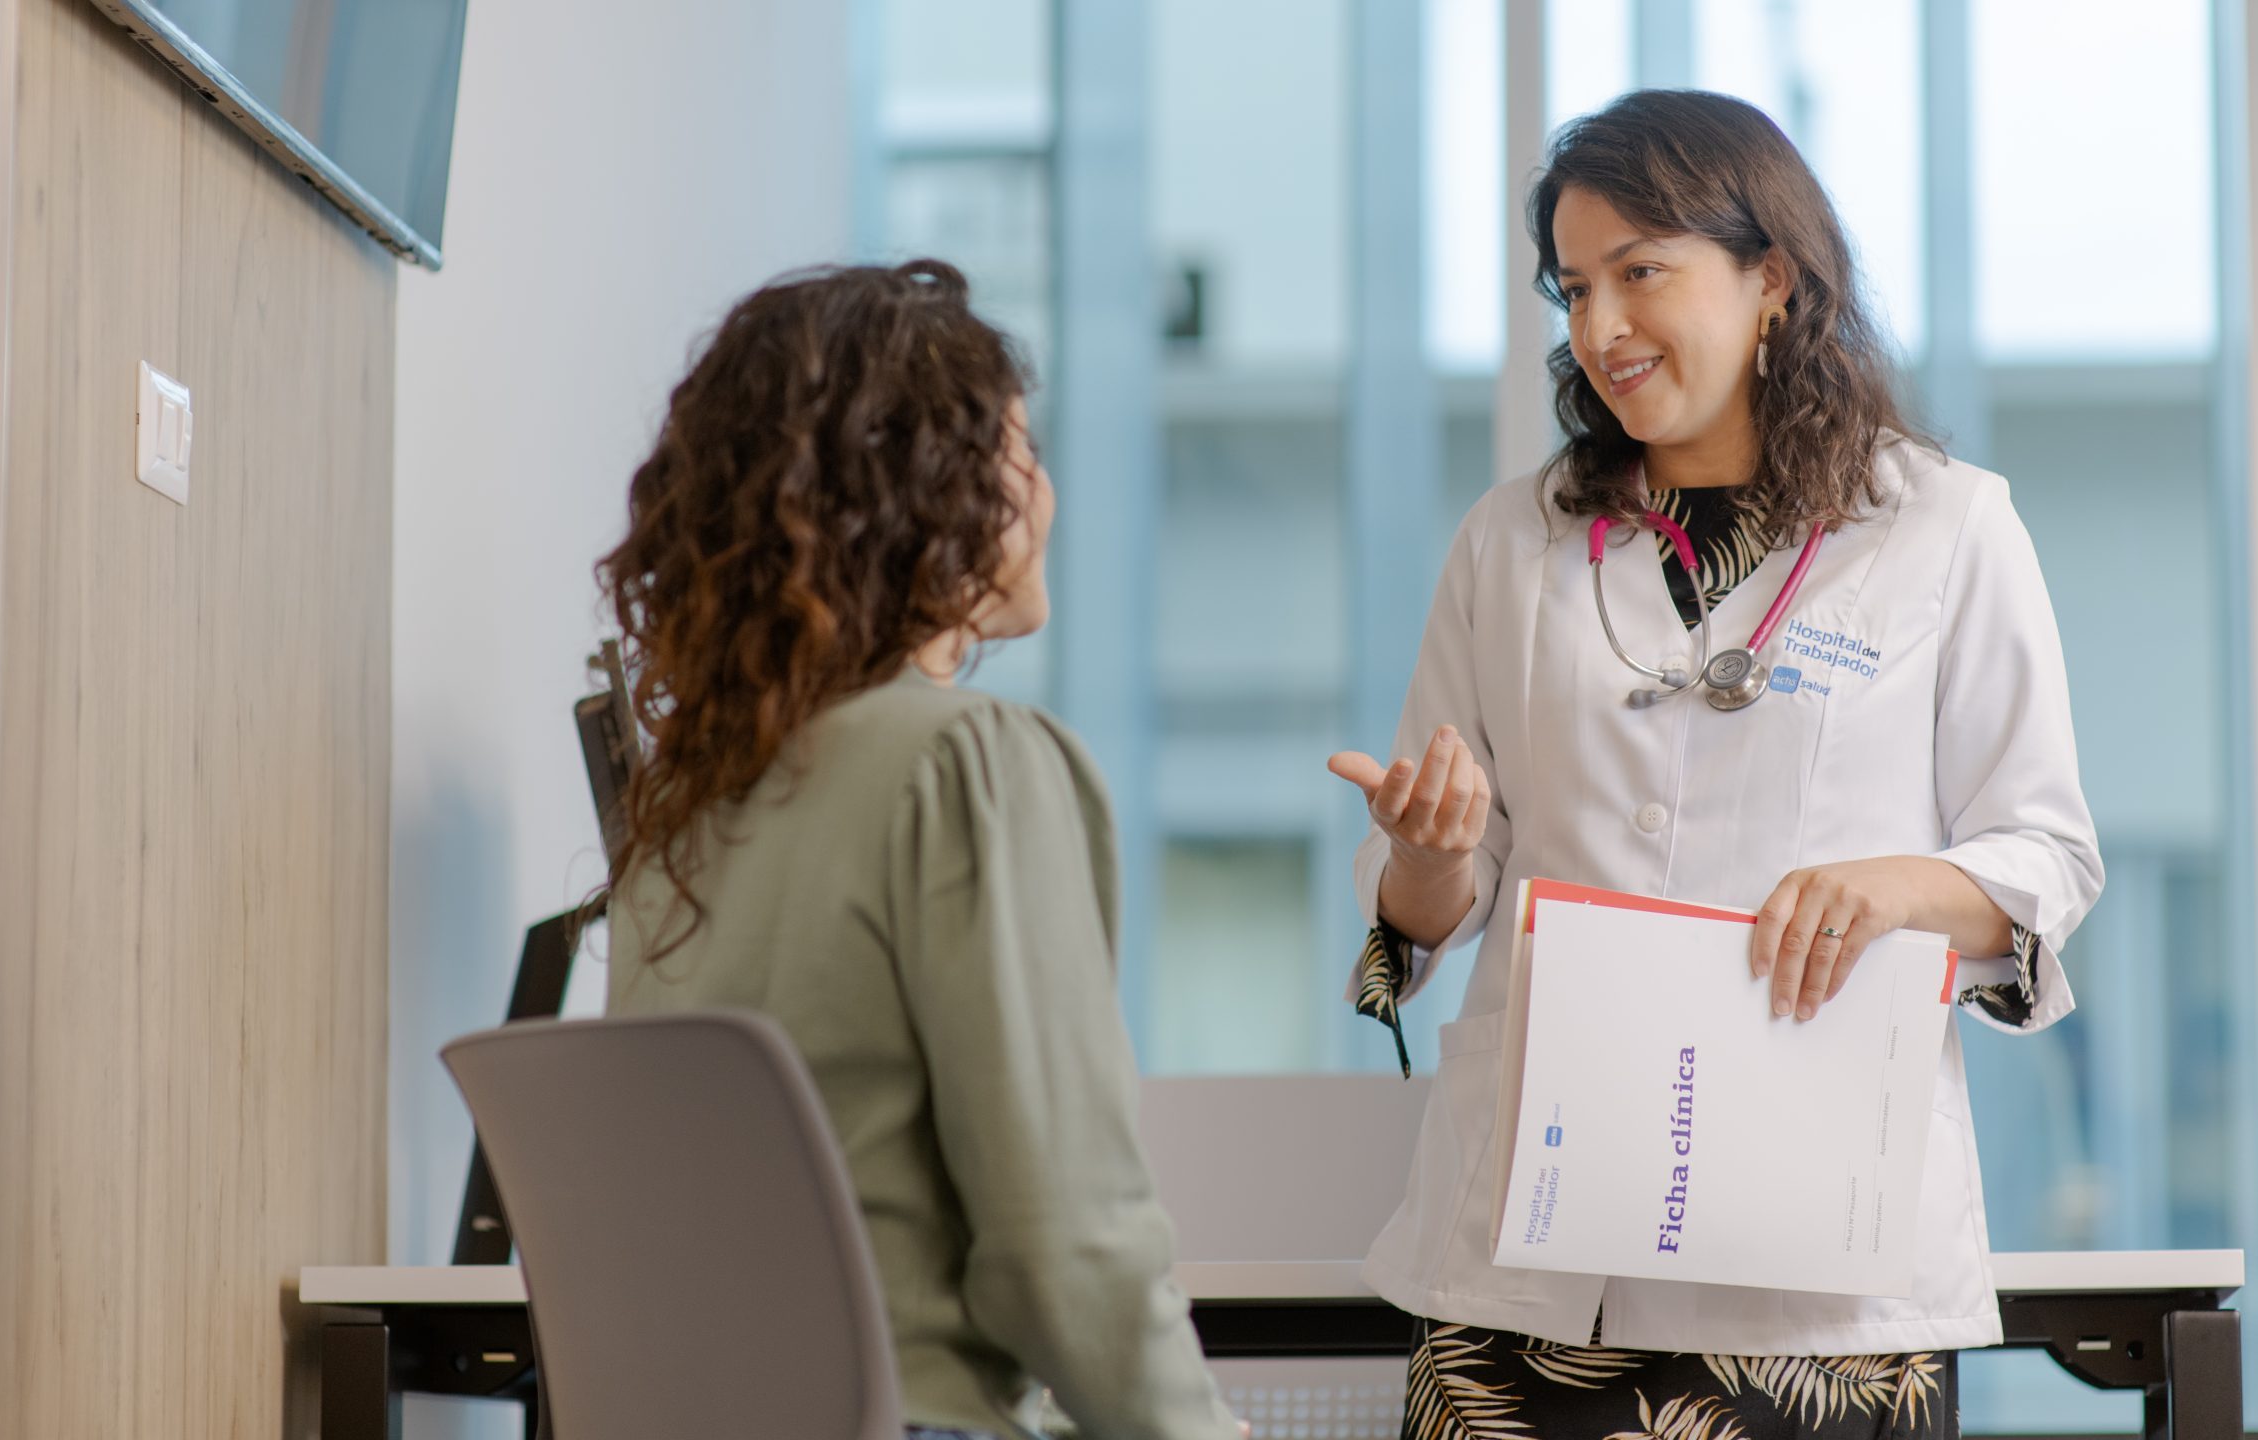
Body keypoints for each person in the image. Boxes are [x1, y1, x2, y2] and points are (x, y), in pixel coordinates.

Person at [1325, 90, 2103, 1440]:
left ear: (1773, 281)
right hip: (1533, 1271)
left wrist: (1902, 887)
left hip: (1814, 1290)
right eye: (1573, 288)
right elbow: (1435, 902)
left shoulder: (1946, 529)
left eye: (1642, 274)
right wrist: (1429, 857)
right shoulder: (1512, 544)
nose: (1600, 328)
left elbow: (2047, 855)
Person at [599, 260, 1240, 1440]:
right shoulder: (964, 767)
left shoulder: (681, 815)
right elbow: (1066, 1253)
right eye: (1022, 453)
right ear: (932, 491)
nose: (1044, 496)